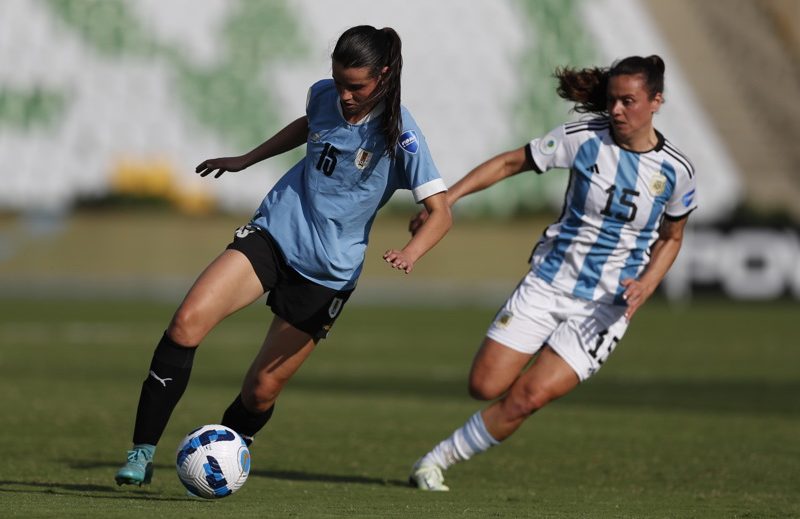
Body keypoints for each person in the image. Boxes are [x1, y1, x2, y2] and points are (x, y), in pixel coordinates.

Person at [114, 25, 452, 486]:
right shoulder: (323, 96)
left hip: (328, 273)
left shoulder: (402, 134)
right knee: (185, 323)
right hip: (276, 232)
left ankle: (219, 459)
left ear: (385, 76)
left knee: (261, 390)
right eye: (339, 82)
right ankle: (141, 451)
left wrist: (413, 251)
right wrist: (246, 160)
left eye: (357, 86)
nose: (346, 95)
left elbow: (440, 211)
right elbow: (308, 125)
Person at [408, 55, 697, 491]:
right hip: (549, 282)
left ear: (656, 101)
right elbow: (509, 163)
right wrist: (445, 202)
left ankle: (435, 462)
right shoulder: (583, 139)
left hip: (606, 308)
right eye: (613, 100)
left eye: (628, 101)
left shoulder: (677, 171)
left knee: (528, 397)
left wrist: (646, 284)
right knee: (485, 385)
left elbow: (671, 238)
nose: (616, 110)